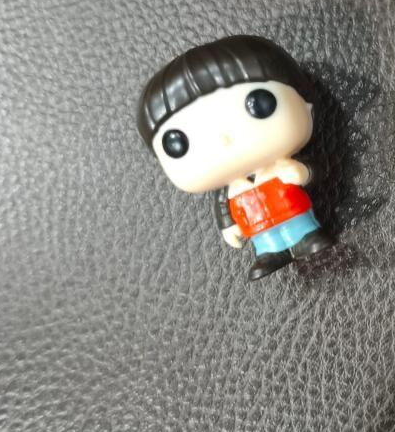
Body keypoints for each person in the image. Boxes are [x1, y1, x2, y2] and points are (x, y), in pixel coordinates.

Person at [137, 35, 333, 281]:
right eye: (178, 143)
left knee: (298, 226)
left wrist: (302, 172)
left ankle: (306, 236)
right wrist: (229, 226)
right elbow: (223, 208)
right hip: (256, 223)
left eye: (259, 103)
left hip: (292, 209)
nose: (224, 139)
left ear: (306, 103)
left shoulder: (280, 166)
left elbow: (317, 169)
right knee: (266, 238)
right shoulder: (229, 189)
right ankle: (270, 252)